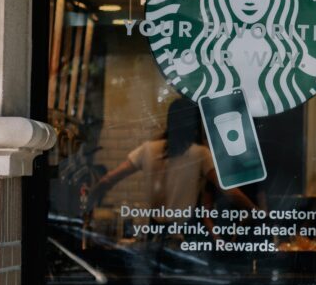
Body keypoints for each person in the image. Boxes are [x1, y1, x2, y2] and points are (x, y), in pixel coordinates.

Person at [87, 96, 256, 236]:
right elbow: (229, 190)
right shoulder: (200, 154)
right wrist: (254, 210)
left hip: (154, 231)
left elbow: (109, 179)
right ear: (195, 124)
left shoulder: (148, 149)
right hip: (184, 232)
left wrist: (89, 203)